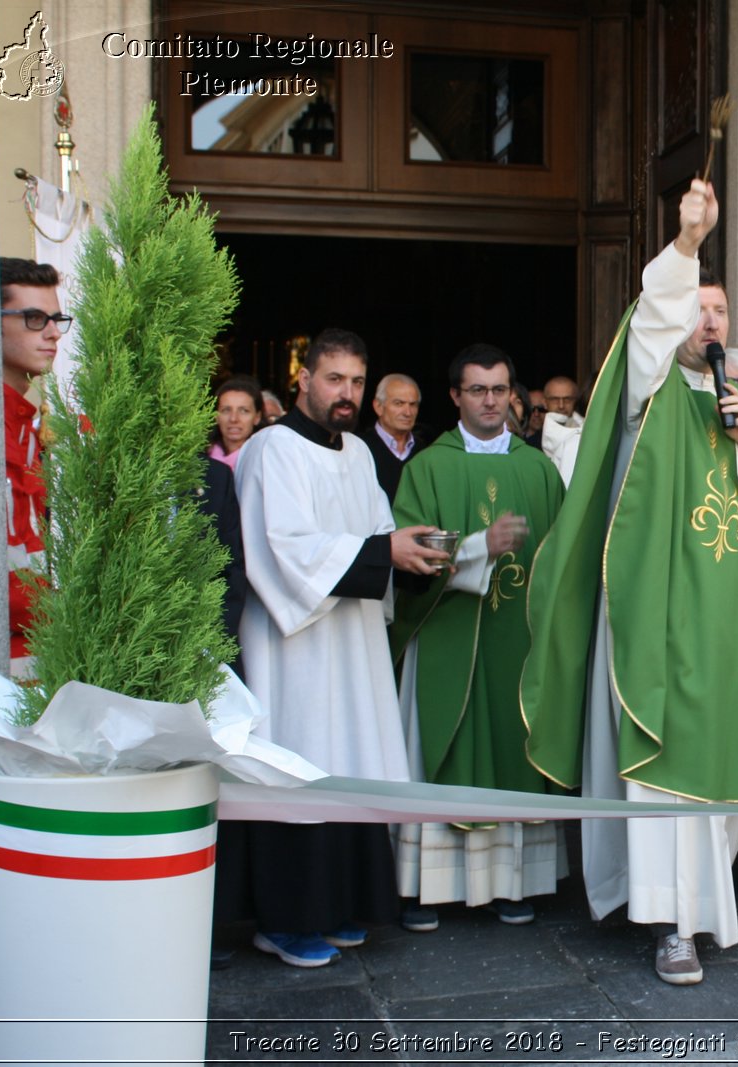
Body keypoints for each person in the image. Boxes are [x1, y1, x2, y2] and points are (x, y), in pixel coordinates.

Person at [521, 180, 738, 986]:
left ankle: (708, 907)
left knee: (719, 776)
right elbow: (649, 328)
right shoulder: (644, 399)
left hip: (724, 629)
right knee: (661, 774)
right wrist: (686, 244)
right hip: (655, 618)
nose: (705, 322)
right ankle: (671, 923)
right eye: (695, 307)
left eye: (717, 311)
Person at [232, 327, 451, 968]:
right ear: (304, 379)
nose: (347, 393)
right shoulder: (271, 450)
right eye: (335, 379)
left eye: (357, 381)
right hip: (293, 645)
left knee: (349, 760)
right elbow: (285, 549)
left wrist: (408, 547)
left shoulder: (356, 454)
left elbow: (378, 532)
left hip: (350, 641)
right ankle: (284, 920)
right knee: (299, 768)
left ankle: (343, 906)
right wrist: (383, 550)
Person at [390, 344, 565, 932]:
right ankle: (427, 888)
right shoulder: (428, 468)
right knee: (445, 748)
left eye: (499, 389)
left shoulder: (538, 469)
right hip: (447, 637)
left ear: (512, 394)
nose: (491, 401)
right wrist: (473, 550)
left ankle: (512, 884)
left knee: (514, 747)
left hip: (518, 642)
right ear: (455, 397)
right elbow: (406, 553)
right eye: (477, 390)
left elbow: (563, 559)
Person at [0, 258, 66, 680]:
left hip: (38, 657)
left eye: (56, 319)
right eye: (34, 318)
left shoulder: (31, 423)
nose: (53, 332)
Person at [359, 373, 424, 504]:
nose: (407, 412)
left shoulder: (424, 451)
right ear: (378, 407)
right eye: (399, 403)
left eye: (413, 404)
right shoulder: (359, 448)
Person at [209, 375, 265, 470]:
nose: (233, 419)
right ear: (216, 416)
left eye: (243, 411)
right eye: (226, 410)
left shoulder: (263, 460)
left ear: (257, 417)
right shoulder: (200, 460)